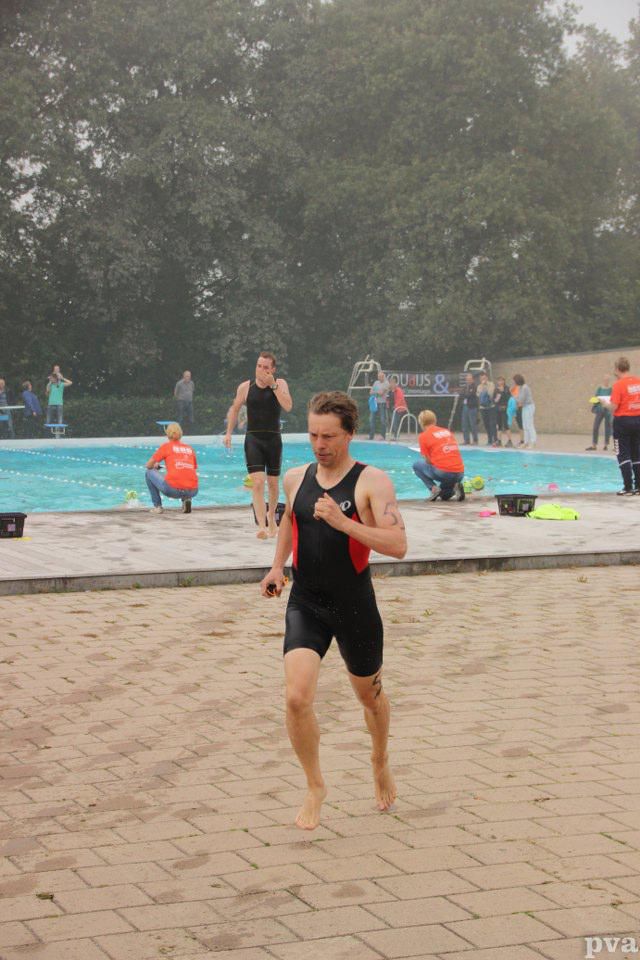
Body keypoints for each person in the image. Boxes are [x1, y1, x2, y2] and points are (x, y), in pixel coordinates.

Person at [260, 390, 406, 830]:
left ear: (349, 434)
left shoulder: (371, 482)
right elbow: (290, 520)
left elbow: (398, 546)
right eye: (312, 435)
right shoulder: (296, 477)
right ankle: (315, 785)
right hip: (306, 601)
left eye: (329, 436)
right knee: (296, 697)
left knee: (369, 696)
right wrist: (276, 567)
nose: (319, 444)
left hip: (354, 605)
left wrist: (344, 522)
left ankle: (379, 757)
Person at [224, 351, 293, 539]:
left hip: (273, 440)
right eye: (258, 366)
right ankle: (262, 525)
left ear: (272, 370)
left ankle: (272, 516)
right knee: (257, 483)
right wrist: (229, 433)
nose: (261, 370)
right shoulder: (246, 387)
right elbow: (235, 408)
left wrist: (274, 385)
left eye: (265, 367)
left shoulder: (280, 384)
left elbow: (288, 406)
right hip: (253, 439)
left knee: (272, 483)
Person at [601, 357, 640, 495]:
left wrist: (605, 404)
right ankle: (638, 487)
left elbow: (614, 406)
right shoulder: (638, 381)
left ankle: (628, 487)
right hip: (638, 419)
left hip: (623, 422)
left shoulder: (618, 385)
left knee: (622, 454)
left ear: (617, 369)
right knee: (637, 453)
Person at [144, 422, 199, 514]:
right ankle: (186, 500)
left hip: (173, 490)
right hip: (193, 490)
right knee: (185, 475)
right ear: (181, 434)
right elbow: (190, 468)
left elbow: (148, 465)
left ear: (167, 434)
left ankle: (157, 506)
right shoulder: (190, 449)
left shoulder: (166, 447)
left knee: (148, 472)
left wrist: (155, 466)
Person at [413, 410, 465, 501]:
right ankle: (456, 486)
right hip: (460, 473)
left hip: (444, 472)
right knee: (445, 496)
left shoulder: (423, 436)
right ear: (434, 420)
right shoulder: (447, 431)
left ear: (421, 422)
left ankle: (433, 488)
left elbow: (427, 460)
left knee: (416, 465)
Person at [586, 376, 612, 451]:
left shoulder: (611, 389)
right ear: (603, 381)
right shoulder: (599, 389)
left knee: (608, 427)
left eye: (607, 380)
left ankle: (606, 444)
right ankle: (594, 444)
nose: (606, 381)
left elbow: (613, 398)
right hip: (600, 410)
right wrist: (598, 400)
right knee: (595, 427)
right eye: (605, 380)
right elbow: (595, 398)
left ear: (609, 381)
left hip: (607, 410)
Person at [513, 373, 536, 448]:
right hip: (525, 407)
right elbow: (519, 399)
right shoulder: (520, 387)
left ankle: (533, 442)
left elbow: (521, 400)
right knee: (525, 425)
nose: (514, 383)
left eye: (514, 381)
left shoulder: (525, 388)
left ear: (517, 381)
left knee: (529, 425)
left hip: (529, 407)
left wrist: (513, 395)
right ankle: (526, 442)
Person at [368, 369, 390, 440]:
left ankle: (383, 436)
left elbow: (381, 393)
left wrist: (375, 391)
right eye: (378, 377)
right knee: (371, 419)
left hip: (382, 403)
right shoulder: (376, 382)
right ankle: (371, 436)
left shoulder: (386, 383)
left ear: (383, 377)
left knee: (383, 420)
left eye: (380, 376)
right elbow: (370, 392)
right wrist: (377, 392)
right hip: (375, 403)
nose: (379, 378)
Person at [477, 371, 497, 445]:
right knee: (486, 424)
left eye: (484, 378)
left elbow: (491, 394)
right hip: (483, 408)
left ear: (487, 378)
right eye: (482, 378)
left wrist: (485, 386)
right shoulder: (479, 386)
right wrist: (482, 386)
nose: (483, 379)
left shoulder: (491, 384)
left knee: (492, 423)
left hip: (491, 407)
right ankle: (489, 439)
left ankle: (495, 439)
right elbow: (479, 395)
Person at [459, 372, 479, 445]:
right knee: (464, 424)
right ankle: (466, 440)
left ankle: (475, 440)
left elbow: (471, 394)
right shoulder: (465, 387)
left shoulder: (474, 386)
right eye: (467, 379)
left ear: (473, 380)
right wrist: (465, 395)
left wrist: (465, 395)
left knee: (473, 424)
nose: (468, 380)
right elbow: (461, 395)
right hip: (465, 406)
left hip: (472, 407)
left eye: (470, 379)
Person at [493, 376, 510, 447]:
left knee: (506, 425)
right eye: (499, 381)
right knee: (499, 425)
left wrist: (503, 391)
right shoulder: (496, 389)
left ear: (504, 381)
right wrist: (495, 400)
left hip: (505, 409)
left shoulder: (507, 388)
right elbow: (494, 399)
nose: (500, 382)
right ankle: (499, 441)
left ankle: (509, 441)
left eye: (502, 380)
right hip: (498, 409)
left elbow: (509, 398)